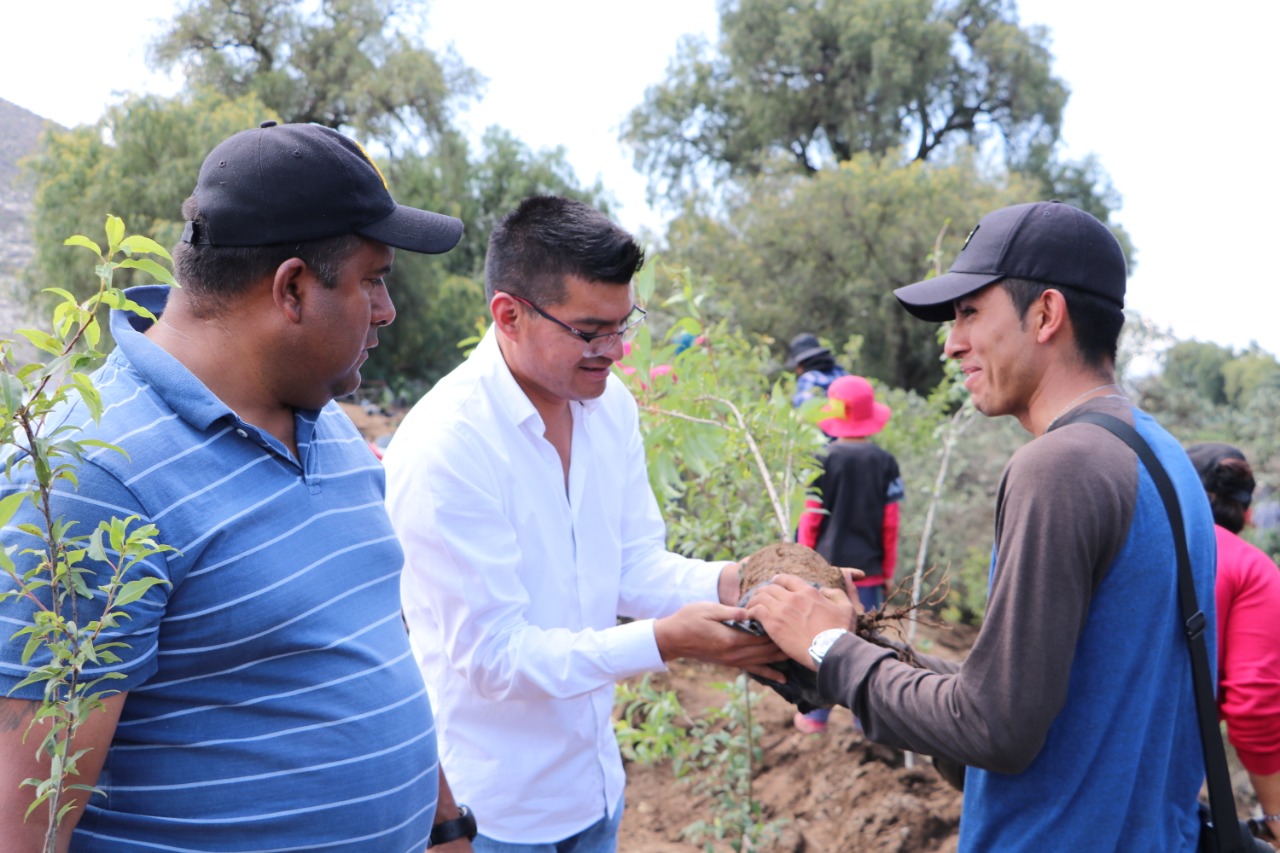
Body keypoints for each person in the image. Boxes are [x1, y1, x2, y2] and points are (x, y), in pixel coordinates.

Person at [0, 122, 473, 851]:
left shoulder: (329, 420)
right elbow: (23, 821)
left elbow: (367, 638)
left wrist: (444, 824)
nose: (387, 311)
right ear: (292, 288)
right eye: (373, 279)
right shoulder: (94, 476)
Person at [746, 200, 1216, 850]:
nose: (951, 342)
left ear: (1046, 314)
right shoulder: (1165, 459)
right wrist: (863, 647)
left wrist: (830, 651)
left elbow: (994, 729)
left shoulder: (1058, 467)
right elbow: (1047, 703)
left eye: (969, 312)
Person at [382, 195, 783, 852]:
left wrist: (738, 582)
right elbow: (493, 658)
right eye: (592, 331)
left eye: (625, 325)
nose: (619, 351)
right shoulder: (445, 446)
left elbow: (631, 562)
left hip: (594, 783)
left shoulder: (607, 405)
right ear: (508, 315)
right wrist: (665, 641)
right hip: (498, 810)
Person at [792, 374, 903, 735]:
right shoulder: (885, 462)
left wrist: (803, 562)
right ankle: (863, 721)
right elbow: (891, 523)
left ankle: (814, 717)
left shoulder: (820, 459)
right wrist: (886, 570)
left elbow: (809, 519)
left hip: (823, 572)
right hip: (867, 573)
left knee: (818, 641)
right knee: (866, 644)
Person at [1186, 443, 1280, 843]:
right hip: (1151, 788)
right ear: (1245, 512)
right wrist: (1275, 813)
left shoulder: (1125, 546)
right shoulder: (1250, 568)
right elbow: (1254, 704)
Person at [785, 332, 848, 408]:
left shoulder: (809, 378)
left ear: (803, 364)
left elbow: (804, 409)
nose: (797, 371)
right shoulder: (840, 372)